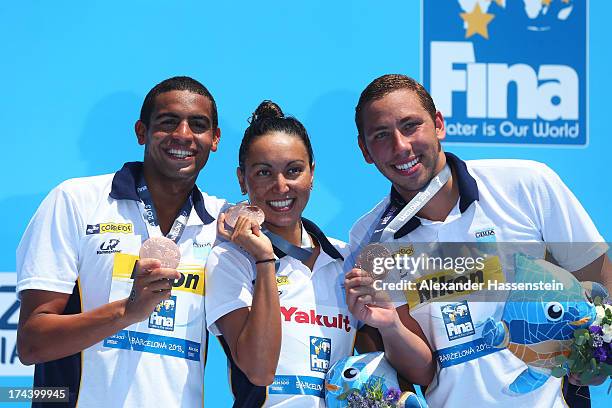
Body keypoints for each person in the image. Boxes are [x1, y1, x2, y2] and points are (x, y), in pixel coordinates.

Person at [347, 74, 612, 408]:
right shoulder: (370, 238)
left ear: (438, 124)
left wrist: (601, 355)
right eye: (381, 135)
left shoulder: (526, 184)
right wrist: (390, 325)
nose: (401, 146)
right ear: (365, 150)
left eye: (411, 125)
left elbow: (598, 274)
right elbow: (425, 371)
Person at [204, 100, 434, 407]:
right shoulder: (231, 261)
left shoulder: (347, 260)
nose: (281, 186)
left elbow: (396, 372)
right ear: (242, 179)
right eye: (263, 173)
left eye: (294, 170)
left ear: (312, 174)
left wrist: (389, 327)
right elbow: (259, 371)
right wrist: (264, 261)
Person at [16, 76, 226, 407]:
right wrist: (127, 311)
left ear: (214, 139)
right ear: (141, 131)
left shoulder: (222, 223)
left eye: (197, 125)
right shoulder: (76, 201)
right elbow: (32, 344)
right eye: (168, 122)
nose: (183, 134)